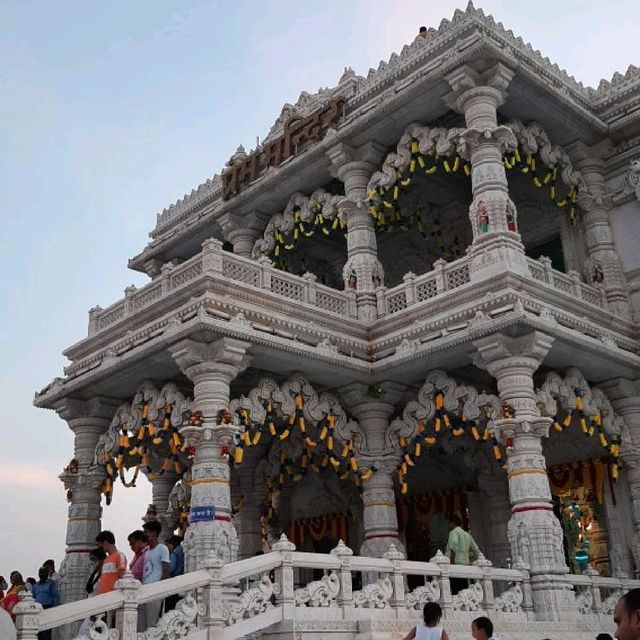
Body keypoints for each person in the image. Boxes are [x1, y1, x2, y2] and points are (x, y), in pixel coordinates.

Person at [140, 520, 170, 630]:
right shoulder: (147, 551)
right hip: (144, 590)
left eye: (146, 532)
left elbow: (166, 571)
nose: (144, 535)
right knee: (141, 625)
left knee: (152, 624)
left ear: (154, 533)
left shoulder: (162, 549)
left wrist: (160, 589)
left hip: (155, 591)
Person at [445, 515, 481, 595]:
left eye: (448, 523)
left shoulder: (453, 532)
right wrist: (474, 563)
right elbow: (476, 550)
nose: (447, 526)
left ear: (453, 523)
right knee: (465, 593)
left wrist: (451, 565)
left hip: (456, 567)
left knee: (456, 594)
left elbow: (453, 547)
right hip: (466, 568)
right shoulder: (467, 535)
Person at [77, 547, 107, 638]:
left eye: (93, 559)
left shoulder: (104, 574)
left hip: (97, 608)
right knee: (83, 632)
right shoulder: (95, 574)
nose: (92, 562)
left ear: (101, 560)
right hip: (90, 606)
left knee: (90, 633)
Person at [95, 530, 127, 595]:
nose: (98, 547)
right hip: (102, 595)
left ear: (105, 542)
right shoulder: (106, 559)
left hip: (112, 596)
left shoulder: (120, 556)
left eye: (99, 544)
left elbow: (122, 576)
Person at [32, 566, 59, 640]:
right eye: (40, 573)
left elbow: (55, 597)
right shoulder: (35, 585)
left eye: (43, 572)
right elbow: (33, 599)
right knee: (38, 633)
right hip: (38, 611)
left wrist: (54, 610)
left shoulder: (51, 583)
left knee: (47, 633)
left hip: (48, 609)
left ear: (47, 574)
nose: (41, 574)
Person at [163, 535, 185, 613]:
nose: (167, 548)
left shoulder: (175, 553)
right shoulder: (181, 550)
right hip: (180, 580)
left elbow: (171, 568)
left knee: (170, 606)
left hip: (174, 580)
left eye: (167, 545)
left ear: (172, 544)